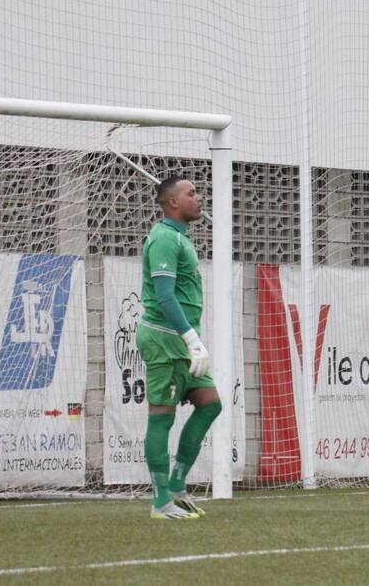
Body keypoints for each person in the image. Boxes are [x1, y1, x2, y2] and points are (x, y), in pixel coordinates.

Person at [136, 176, 222, 520]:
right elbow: (165, 296)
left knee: (210, 405)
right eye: (191, 193)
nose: (199, 198)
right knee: (162, 418)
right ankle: (160, 502)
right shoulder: (162, 239)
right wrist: (191, 338)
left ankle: (176, 485)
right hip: (164, 338)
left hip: (182, 340)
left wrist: (192, 338)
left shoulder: (179, 239)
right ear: (173, 202)